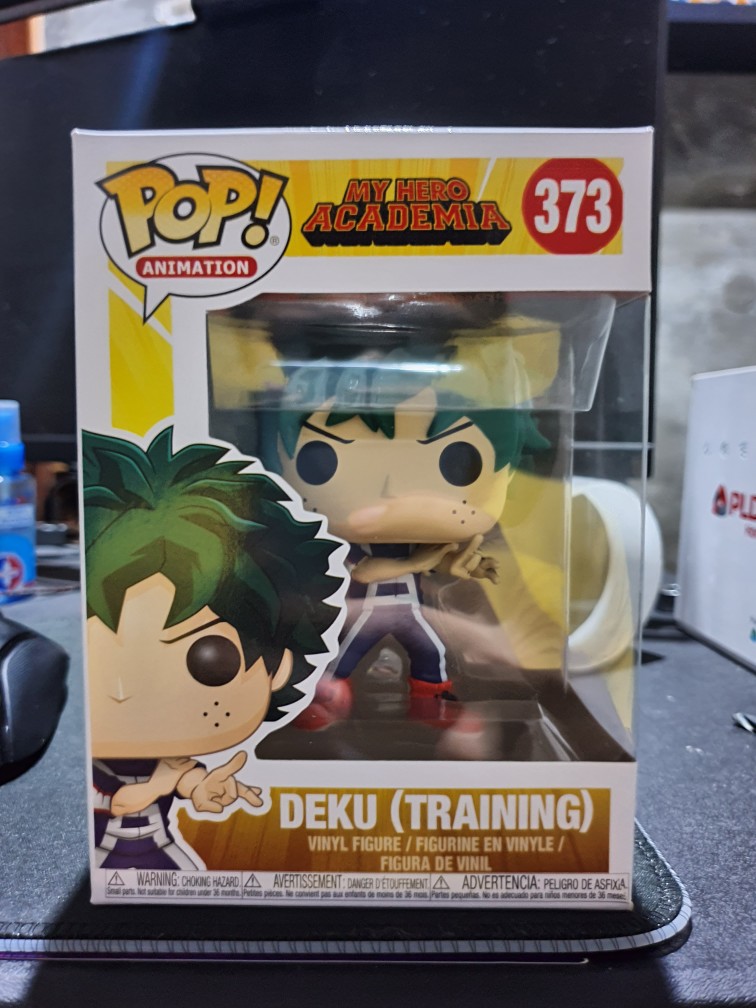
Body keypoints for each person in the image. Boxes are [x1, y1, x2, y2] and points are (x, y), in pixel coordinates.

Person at [261, 297, 548, 728]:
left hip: (413, 611)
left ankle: (430, 703)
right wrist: (419, 562)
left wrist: (467, 565)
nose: (391, 493)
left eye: (457, 462)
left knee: (432, 651)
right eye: (322, 462)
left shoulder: (420, 543)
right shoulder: (352, 545)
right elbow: (365, 572)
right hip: (366, 613)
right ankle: (321, 695)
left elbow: (438, 565)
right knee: (343, 655)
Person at [83, 427, 343, 869]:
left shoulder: (168, 757)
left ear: (278, 666)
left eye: (208, 660)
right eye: (100, 656)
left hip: (159, 856)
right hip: (111, 861)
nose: (123, 691)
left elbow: (183, 778)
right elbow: (123, 801)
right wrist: (167, 781)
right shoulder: (98, 768)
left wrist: (204, 789)